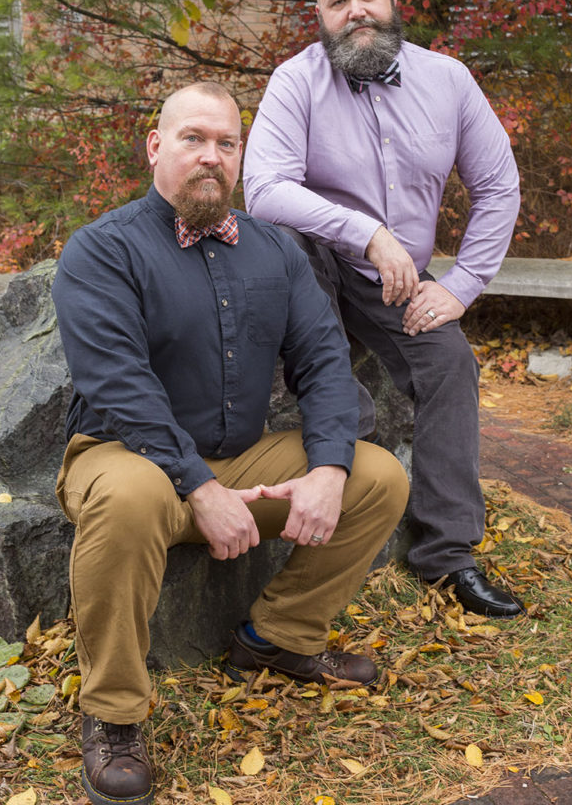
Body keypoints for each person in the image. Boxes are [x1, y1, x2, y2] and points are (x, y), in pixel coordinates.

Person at [51, 81, 409, 805]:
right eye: (192, 139)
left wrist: (329, 469)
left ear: (241, 155)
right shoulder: (100, 251)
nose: (210, 156)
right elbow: (121, 386)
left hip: (242, 460)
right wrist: (201, 490)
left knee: (377, 476)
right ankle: (112, 714)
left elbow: (322, 364)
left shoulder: (276, 252)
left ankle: (277, 635)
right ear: (156, 147)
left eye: (226, 143)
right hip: (126, 459)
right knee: (127, 496)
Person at [243, 0, 525, 621]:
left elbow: (496, 185)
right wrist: (366, 232)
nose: (355, 12)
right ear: (319, 14)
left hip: (393, 280)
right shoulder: (295, 81)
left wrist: (461, 285)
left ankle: (445, 553)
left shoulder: (448, 80)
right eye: (338, 2)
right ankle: (340, 436)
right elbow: (263, 188)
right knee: (285, 237)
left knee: (450, 364)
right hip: (312, 265)